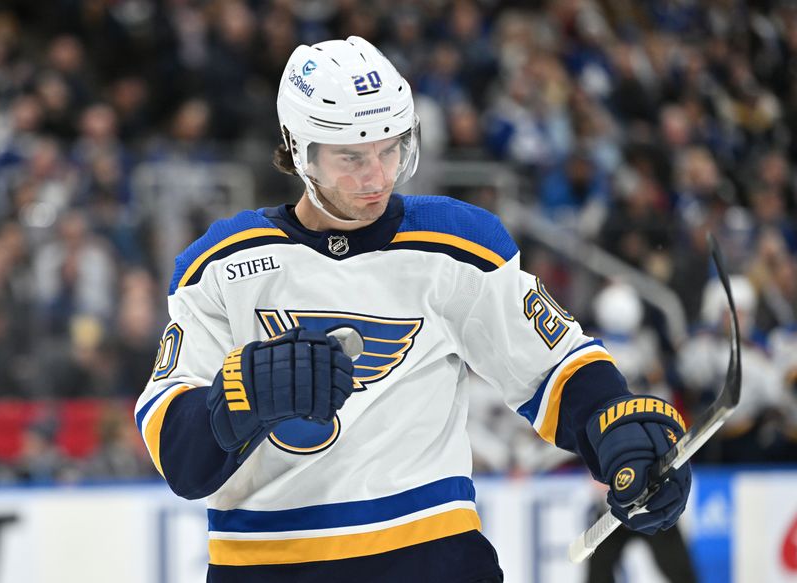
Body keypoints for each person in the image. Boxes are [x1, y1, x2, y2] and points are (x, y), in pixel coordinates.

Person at [134, 36, 692, 583]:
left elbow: (555, 367)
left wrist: (614, 430)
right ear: (297, 149)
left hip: (432, 556)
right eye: (351, 156)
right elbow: (179, 454)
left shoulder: (458, 243)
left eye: (390, 148)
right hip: (268, 565)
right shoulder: (220, 264)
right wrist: (239, 399)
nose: (376, 176)